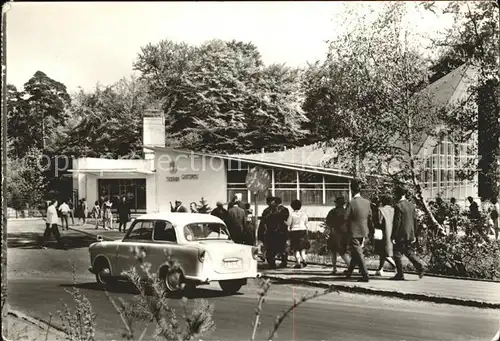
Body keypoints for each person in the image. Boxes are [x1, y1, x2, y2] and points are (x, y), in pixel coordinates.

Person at [391, 186, 425, 281]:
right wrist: (414, 234)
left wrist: (393, 236)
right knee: (408, 251)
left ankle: (400, 274)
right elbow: (415, 221)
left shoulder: (398, 206)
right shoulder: (411, 205)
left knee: (396, 253)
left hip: (401, 233)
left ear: (397, 194)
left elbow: (397, 222)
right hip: (410, 233)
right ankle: (420, 266)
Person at [344, 180, 372, 282]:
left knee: (358, 253)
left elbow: (345, 217)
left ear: (351, 190)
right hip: (364, 231)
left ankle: (365, 274)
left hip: (353, 232)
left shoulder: (351, 203)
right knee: (356, 252)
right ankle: (349, 272)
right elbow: (370, 216)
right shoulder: (367, 202)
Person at [326, 197, 351, 274]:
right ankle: (350, 267)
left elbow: (328, 222)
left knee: (333, 252)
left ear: (336, 203)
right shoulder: (346, 212)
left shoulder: (333, 211)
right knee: (343, 252)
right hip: (345, 234)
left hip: (335, 233)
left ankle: (334, 269)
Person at [374, 195, 397, 277]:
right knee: (384, 252)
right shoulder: (393, 210)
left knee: (383, 252)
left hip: (383, 233)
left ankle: (397, 267)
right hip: (392, 233)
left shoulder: (380, 210)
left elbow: (379, 222)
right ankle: (380, 269)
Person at [286, 199, 309, 268]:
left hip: (294, 231)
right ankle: (304, 260)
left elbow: (289, 223)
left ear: (292, 206)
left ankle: (298, 263)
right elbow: (306, 222)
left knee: (296, 248)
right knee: (302, 248)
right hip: (303, 230)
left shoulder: (291, 214)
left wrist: (285, 222)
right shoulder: (304, 214)